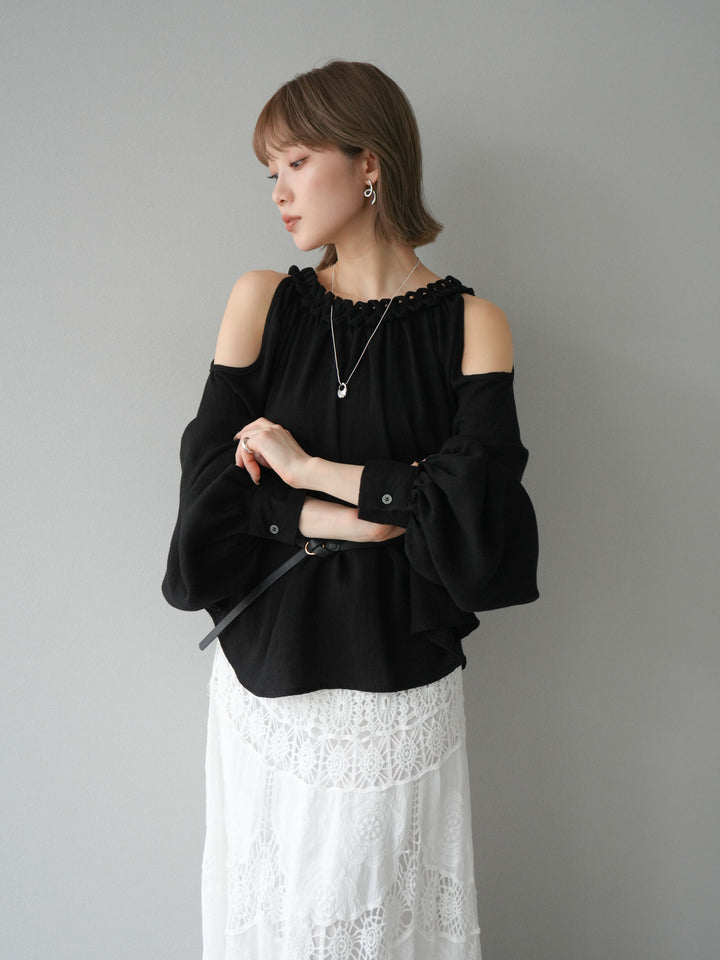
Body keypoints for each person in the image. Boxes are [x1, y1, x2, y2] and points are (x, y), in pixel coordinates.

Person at [162, 60, 539, 960]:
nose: (279, 191)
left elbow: (473, 526)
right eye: (271, 171)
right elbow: (207, 496)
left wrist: (306, 468)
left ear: (369, 162)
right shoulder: (261, 302)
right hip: (265, 682)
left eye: (296, 163)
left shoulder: (475, 326)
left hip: (395, 687)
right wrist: (336, 514)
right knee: (272, 929)